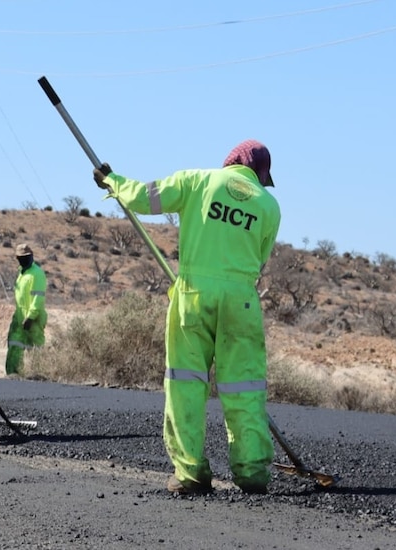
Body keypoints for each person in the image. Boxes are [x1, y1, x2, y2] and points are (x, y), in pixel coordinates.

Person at [92, 139, 281, 495]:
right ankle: (252, 471)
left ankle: (191, 473)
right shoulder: (269, 205)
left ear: (231, 162)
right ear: (260, 173)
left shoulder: (197, 181)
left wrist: (112, 180)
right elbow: (259, 260)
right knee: (244, 388)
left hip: (193, 296)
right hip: (242, 300)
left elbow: (146, 197)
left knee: (186, 384)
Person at [5, 243, 47, 375]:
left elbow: (38, 297)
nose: (23, 260)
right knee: (15, 344)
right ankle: (13, 374)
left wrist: (31, 316)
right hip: (19, 316)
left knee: (35, 347)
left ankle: (37, 373)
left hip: (33, 319)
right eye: (21, 258)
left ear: (32, 256)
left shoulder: (36, 274)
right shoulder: (22, 274)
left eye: (26, 257)